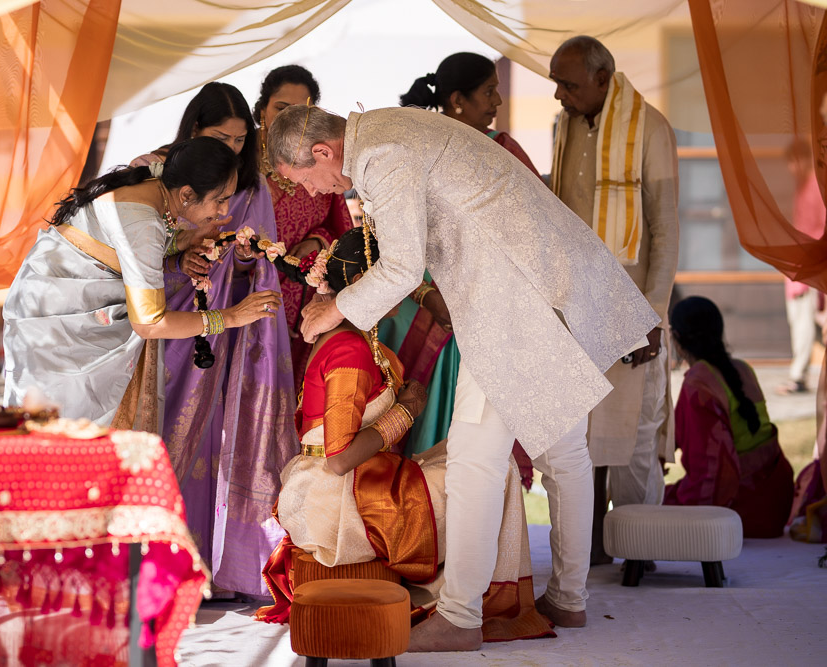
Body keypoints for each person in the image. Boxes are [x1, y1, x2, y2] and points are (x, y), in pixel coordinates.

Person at [267, 104, 658, 650]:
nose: (312, 192)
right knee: (564, 453)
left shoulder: (380, 153)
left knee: (475, 456)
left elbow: (401, 266)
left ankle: (461, 616)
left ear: (322, 151)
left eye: (305, 179)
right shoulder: (386, 129)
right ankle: (570, 599)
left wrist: (332, 308)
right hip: (540, 281)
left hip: (510, 300)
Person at [255, 228, 554, 643]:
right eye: (394, 275)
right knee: (494, 472)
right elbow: (339, 459)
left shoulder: (359, 334)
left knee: (472, 461)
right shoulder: (349, 348)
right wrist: (406, 411)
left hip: (358, 485)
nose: (406, 284)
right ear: (363, 284)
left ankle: (465, 597)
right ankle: (468, 604)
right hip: (339, 504)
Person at [132, 82, 299, 598]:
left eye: (240, 139)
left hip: (231, 336)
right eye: (220, 138)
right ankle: (162, 564)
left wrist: (243, 258)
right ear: (194, 131)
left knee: (219, 435)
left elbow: (262, 259)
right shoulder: (157, 174)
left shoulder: (251, 186)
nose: (231, 148)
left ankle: (218, 567)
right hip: (171, 323)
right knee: (165, 427)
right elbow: (137, 255)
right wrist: (181, 257)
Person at [2, 137, 281, 429]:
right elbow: (150, 323)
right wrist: (230, 317)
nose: (224, 211)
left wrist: (182, 241)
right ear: (186, 194)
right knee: (58, 432)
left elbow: (114, 248)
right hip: (59, 326)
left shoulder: (152, 185)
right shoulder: (143, 221)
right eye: (220, 199)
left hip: (50, 302)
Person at [549, 35, 680, 565]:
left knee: (630, 430)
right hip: (576, 302)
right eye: (556, 84)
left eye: (568, 85)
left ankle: (638, 546)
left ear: (603, 79)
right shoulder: (565, 126)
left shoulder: (651, 129)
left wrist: (653, 316)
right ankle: (590, 545)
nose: (559, 95)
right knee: (581, 428)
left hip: (630, 306)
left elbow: (665, 230)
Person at [393, 52, 540, 471]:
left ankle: (476, 499)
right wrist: (427, 294)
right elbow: (396, 227)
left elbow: (537, 223)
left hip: (487, 298)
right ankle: (424, 501)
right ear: (458, 100)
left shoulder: (504, 149)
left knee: (482, 432)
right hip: (424, 298)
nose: (498, 101)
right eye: (489, 91)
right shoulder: (418, 148)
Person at [253, 65, 354, 390]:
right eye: (281, 108)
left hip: (306, 295)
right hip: (252, 293)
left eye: (300, 111)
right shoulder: (243, 163)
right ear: (262, 111)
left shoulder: (321, 166)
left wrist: (316, 241)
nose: (289, 119)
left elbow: (341, 231)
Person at [664, 296, 794, 538]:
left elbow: (709, 469)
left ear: (676, 338)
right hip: (778, 497)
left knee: (651, 508)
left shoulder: (699, 383)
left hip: (741, 505)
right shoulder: (743, 368)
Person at [777, 139, 825, 395]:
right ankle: (799, 375)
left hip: (809, 267)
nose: (792, 167)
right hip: (799, 267)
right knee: (805, 323)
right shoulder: (802, 186)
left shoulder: (815, 188)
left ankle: (798, 376)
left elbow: (818, 231)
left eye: (796, 161)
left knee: (806, 324)